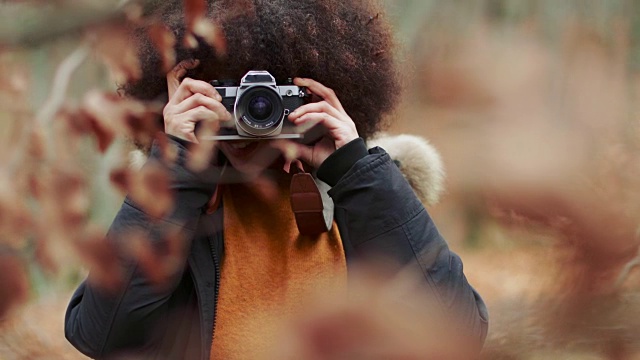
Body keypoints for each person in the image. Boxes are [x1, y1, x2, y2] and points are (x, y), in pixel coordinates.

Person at [65, 1, 488, 359]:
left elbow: (460, 332)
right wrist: (176, 165)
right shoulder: (173, 200)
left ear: (323, 91)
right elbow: (100, 335)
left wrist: (354, 170)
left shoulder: (367, 192)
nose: (252, 114)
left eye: (275, 97)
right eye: (228, 93)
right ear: (179, 93)